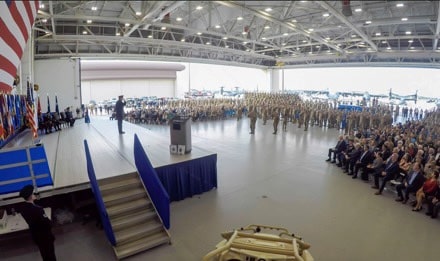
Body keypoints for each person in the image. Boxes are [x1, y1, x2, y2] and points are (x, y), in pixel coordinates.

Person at [19, 185, 56, 261]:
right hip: (45, 236)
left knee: (44, 254)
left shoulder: (23, 209)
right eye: (33, 193)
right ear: (31, 196)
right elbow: (46, 223)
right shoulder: (38, 209)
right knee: (50, 255)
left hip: (36, 236)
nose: (35, 195)